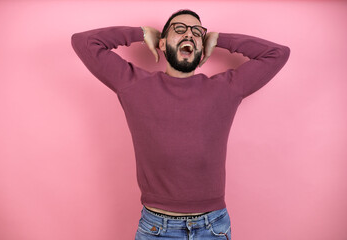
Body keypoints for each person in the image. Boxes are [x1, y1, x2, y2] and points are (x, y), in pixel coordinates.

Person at [71, 9, 290, 240]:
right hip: (156, 228)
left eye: (197, 32)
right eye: (179, 29)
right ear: (162, 44)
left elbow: (278, 54)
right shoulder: (133, 84)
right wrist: (140, 33)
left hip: (213, 227)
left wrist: (220, 39)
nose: (189, 35)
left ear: (202, 47)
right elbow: (83, 42)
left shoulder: (226, 88)